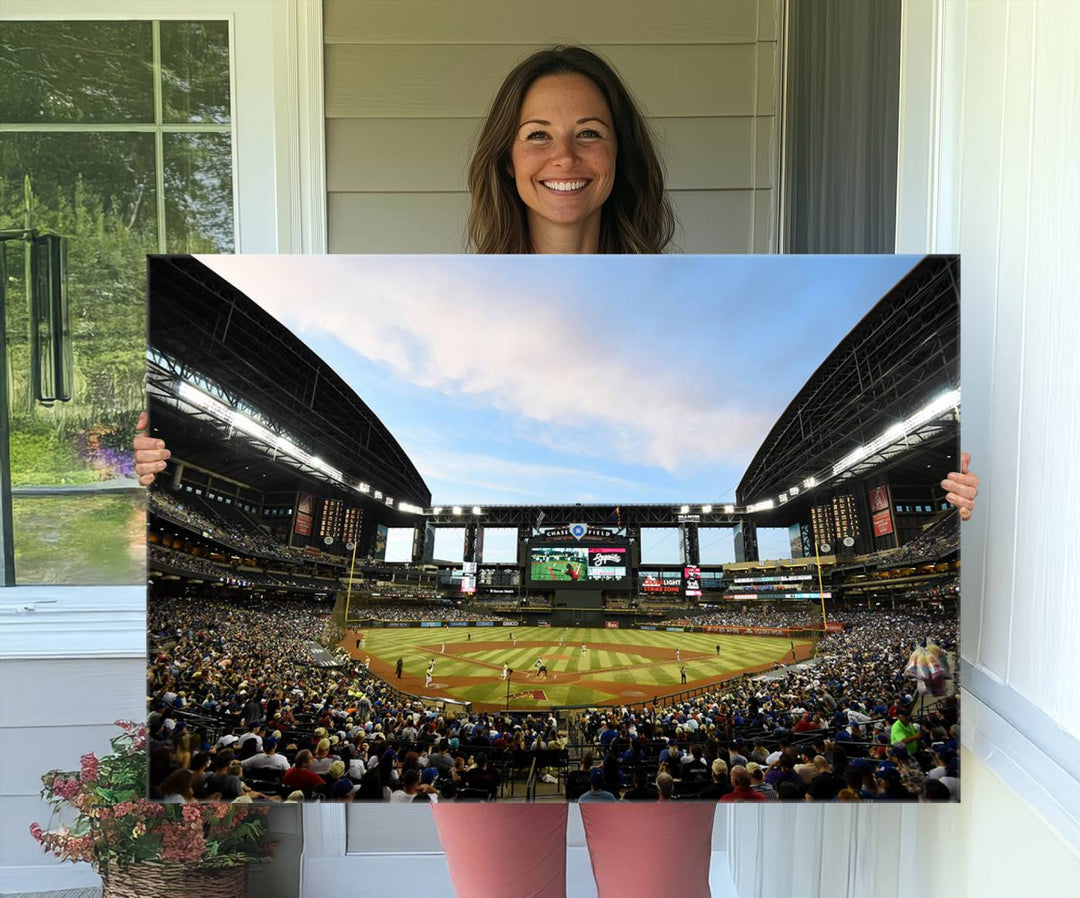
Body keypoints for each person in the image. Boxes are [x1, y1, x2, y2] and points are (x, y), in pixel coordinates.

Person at [132, 41, 981, 898]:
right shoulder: (456, 307)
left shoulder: (679, 306)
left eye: (590, 134)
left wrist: (961, 492)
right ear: (506, 157)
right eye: (537, 134)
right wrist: (135, 469)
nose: (563, 157)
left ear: (621, 157)